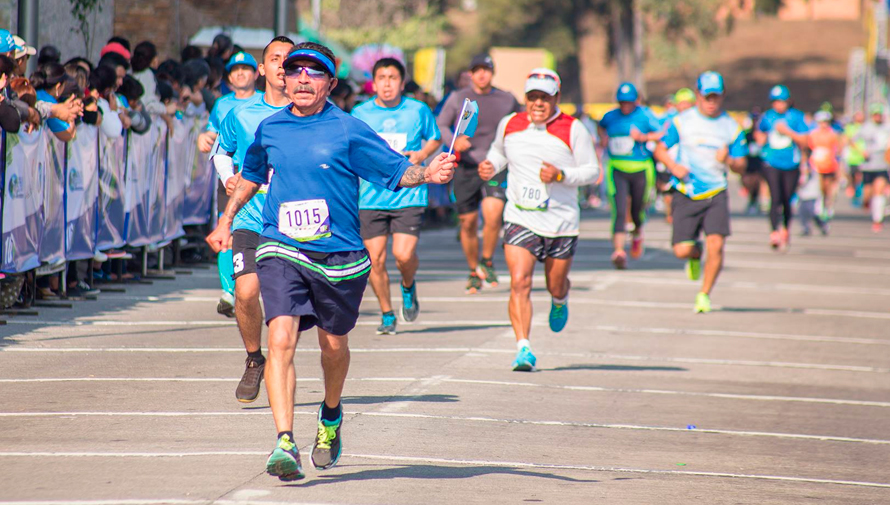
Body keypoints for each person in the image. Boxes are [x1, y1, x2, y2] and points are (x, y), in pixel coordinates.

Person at [206, 42, 455, 481]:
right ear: (283, 77)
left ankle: (331, 415)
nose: (303, 78)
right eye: (296, 70)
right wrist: (226, 221)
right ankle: (284, 441)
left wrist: (429, 173)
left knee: (333, 346)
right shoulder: (270, 128)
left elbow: (396, 172)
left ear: (331, 84)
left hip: (340, 254)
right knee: (280, 337)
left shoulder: (348, 129)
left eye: (314, 72)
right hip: (282, 245)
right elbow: (250, 176)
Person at [478, 68, 598, 371]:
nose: (538, 103)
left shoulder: (574, 129)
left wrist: (562, 175)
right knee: (520, 282)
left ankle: (560, 299)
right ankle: (523, 348)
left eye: (545, 97)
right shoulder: (510, 124)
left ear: (556, 98)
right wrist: (490, 166)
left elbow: (592, 171)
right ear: (526, 98)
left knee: (555, 284)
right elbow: (497, 152)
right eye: (533, 97)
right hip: (520, 216)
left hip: (561, 222)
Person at [211, 38, 290, 401]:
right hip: (251, 217)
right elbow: (221, 151)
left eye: (289, 60)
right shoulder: (240, 113)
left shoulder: (314, 111)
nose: (281, 65)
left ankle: (281, 357)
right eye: (275, 59)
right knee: (245, 290)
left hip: (297, 224)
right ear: (263, 69)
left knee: (289, 306)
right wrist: (227, 175)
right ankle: (254, 360)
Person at [351, 58, 442, 334]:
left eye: (392, 78)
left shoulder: (418, 110)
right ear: (373, 83)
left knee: (403, 256)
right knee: (374, 260)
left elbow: (435, 137)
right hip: (370, 196)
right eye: (382, 78)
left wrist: (422, 155)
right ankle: (387, 314)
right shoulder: (359, 113)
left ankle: (407, 284)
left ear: (402, 83)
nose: (387, 83)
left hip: (408, 195)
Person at [653, 71, 747, 313]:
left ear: (723, 96)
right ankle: (695, 254)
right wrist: (674, 166)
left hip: (716, 192)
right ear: (698, 95)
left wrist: (729, 161)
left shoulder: (731, 127)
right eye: (707, 96)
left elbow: (741, 166)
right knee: (682, 250)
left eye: (716, 96)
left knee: (716, 245)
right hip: (686, 191)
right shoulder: (682, 121)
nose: (711, 101)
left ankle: (704, 294)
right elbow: (660, 149)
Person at [436, 54, 523, 293]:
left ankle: (488, 260)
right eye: (477, 70)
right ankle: (474, 270)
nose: (481, 74)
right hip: (466, 166)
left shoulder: (506, 99)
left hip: (495, 165)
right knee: (468, 223)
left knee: (493, 214)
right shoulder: (459, 98)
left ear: (492, 72)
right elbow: (441, 124)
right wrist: (454, 142)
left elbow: (521, 123)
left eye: (486, 69)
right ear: (471, 73)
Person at [597, 82, 662, 269]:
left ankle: (637, 233)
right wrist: (603, 138)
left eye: (629, 102)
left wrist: (644, 137)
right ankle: (618, 251)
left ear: (636, 101)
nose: (625, 106)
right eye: (622, 102)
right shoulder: (610, 116)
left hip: (640, 167)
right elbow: (601, 127)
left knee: (636, 209)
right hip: (617, 167)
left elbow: (660, 133)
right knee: (619, 209)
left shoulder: (645, 115)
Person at [754, 85, 809, 250]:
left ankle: (785, 228)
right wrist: (761, 138)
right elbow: (759, 134)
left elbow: (805, 141)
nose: (779, 105)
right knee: (775, 197)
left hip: (791, 163)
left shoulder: (796, 117)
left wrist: (788, 132)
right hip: (771, 162)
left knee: (787, 198)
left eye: (782, 101)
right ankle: (774, 232)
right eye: (776, 101)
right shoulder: (767, 117)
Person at [855, 103, 890, 232]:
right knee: (867, 194)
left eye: (879, 115)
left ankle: (877, 220)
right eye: (875, 115)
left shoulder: (886, 128)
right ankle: (868, 204)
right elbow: (852, 140)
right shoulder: (866, 128)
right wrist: (861, 151)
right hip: (868, 166)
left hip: (882, 165)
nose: (878, 117)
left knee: (879, 191)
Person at [808, 110, 841, 221]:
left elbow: (837, 151)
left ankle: (828, 206)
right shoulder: (813, 134)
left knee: (828, 188)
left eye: (826, 122)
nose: (824, 124)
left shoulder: (833, 135)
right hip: (816, 164)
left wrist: (839, 167)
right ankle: (818, 207)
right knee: (819, 187)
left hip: (829, 164)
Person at [843, 111, 866, 205]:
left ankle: (859, 193)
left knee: (859, 176)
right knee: (852, 176)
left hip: (863, 157)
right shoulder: (850, 128)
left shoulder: (866, 128)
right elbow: (848, 140)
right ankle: (854, 191)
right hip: (853, 157)